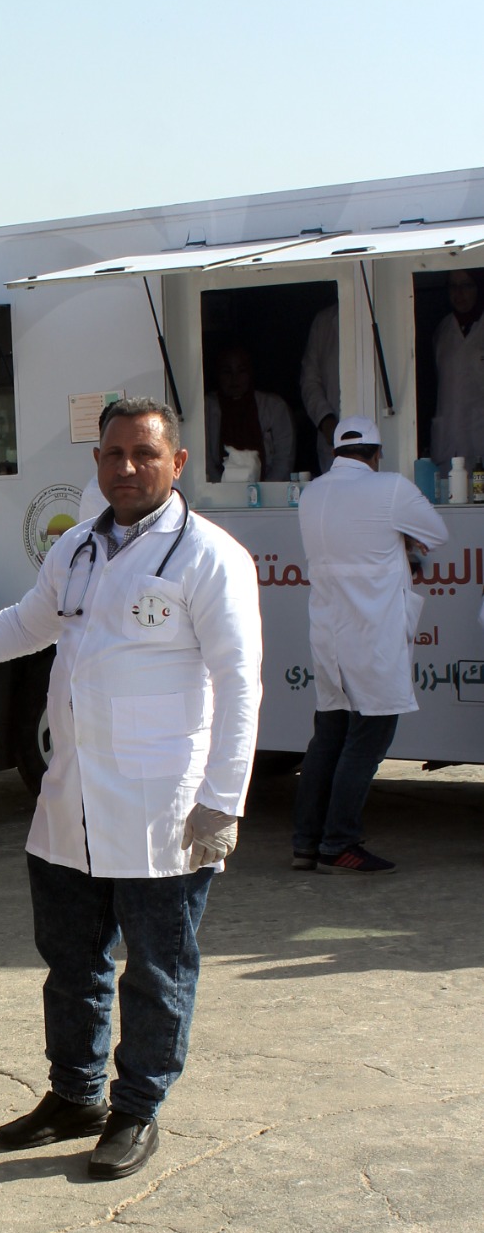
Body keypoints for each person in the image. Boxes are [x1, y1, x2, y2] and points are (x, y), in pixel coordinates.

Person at [0, 399, 262, 1180]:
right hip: (72, 802)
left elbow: (240, 685)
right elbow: (28, 624)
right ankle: (75, 1094)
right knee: (71, 960)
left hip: (164, 808)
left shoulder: (209, 558)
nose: (125, 468)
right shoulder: (79, 551)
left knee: (157, 968)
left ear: (177, 463)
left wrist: (224, 799)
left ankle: (137, 1109)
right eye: (112, 454)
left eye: (143, 454)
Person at [292, 415, 447, 875]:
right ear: (377, 454)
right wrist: (402, 547)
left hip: (329, 636)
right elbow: (436, 534)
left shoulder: (312, 494)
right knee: (367, 739)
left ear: (336, 452)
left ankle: (306, 843)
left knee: (328, 737)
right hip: (372, 635)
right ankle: (339, 842)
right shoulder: (392, 488)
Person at [204, 345, 295, 483]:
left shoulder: (274, 407)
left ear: (251, 372)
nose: (234, 379)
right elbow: (205, 462)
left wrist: (263, 494)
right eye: (227, 372)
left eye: (241, 371)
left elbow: (284, 461)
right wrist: (224, 491)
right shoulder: (207, 408)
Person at [430, 269, 484, 473]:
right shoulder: (442, 330)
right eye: (453, 286)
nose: (459, 293)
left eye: (466, 285)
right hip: (448, 441)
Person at [299, 303, 340, 474]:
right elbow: (310, 381)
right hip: (332, 442)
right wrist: (326, 421)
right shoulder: (323, 322)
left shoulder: (387, 313)